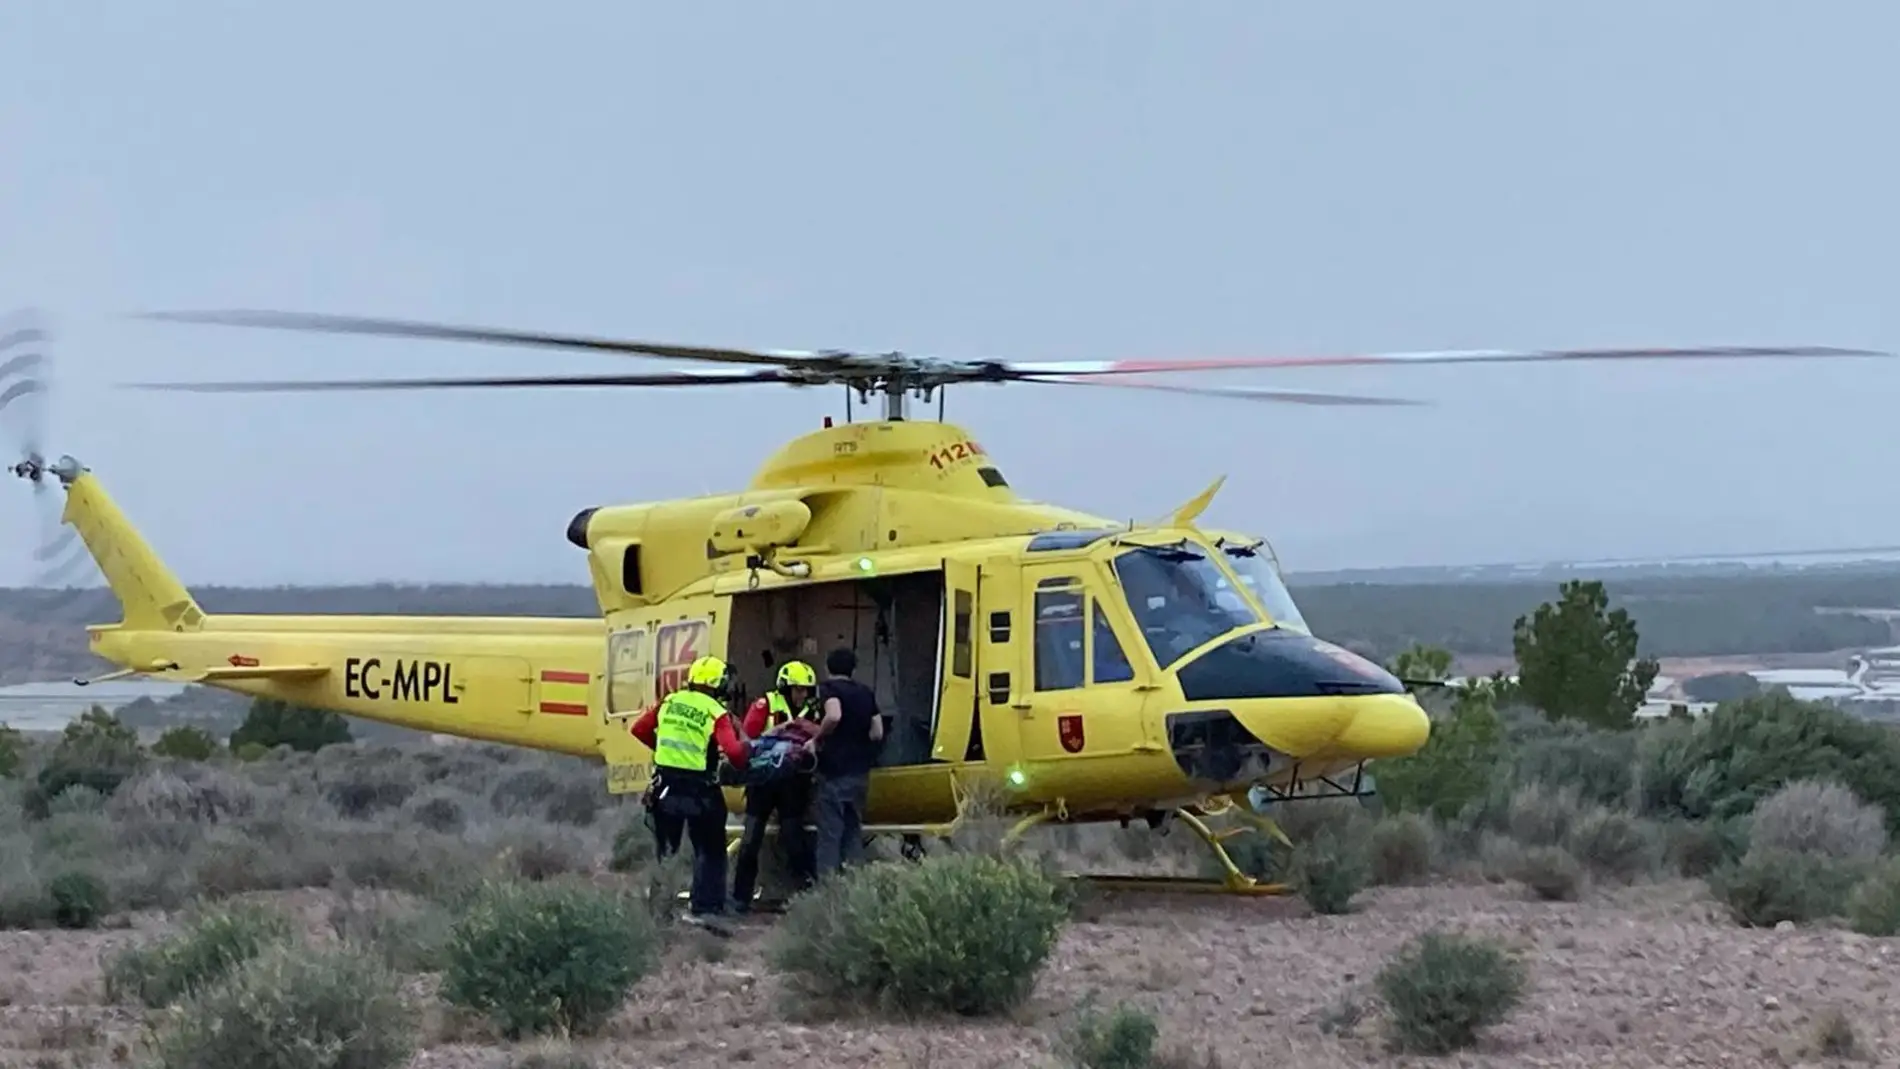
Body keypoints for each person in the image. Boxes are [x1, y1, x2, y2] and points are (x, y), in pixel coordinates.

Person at [628, 654, 751, 925]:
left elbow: (639, 729)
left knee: (666, 850)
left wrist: (663, 751)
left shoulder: (669, 702)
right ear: (717, 684)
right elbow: (733, 752)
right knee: (710, 849)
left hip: (665, 788)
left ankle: (660, 910)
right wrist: (745, 752)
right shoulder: (715, 712)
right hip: (700, 791)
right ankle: (706, 908)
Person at [730, 659, 820, 909]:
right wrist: (781, 730)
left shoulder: (813, 710)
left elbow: (823, 734)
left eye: (806, 690)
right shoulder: (765, 705)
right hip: (763, 780)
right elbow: (748, 737)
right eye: (798, 689)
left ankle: (803, 896)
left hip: (794, 781)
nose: (802, 694)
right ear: (785, 688)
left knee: (794, 839)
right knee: (751, 840)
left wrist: (805, 728)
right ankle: (740, 898)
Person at [808, 646, 884, 878]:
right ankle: (855, 888)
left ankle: (827, 892)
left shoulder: (828, 689)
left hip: (833, 771)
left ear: (828, 667)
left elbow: (834, 715)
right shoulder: (865, 693)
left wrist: (817, 738)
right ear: (853, 669)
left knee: (830, 835)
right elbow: (877, 732)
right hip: (859, 773)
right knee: (853, 833)